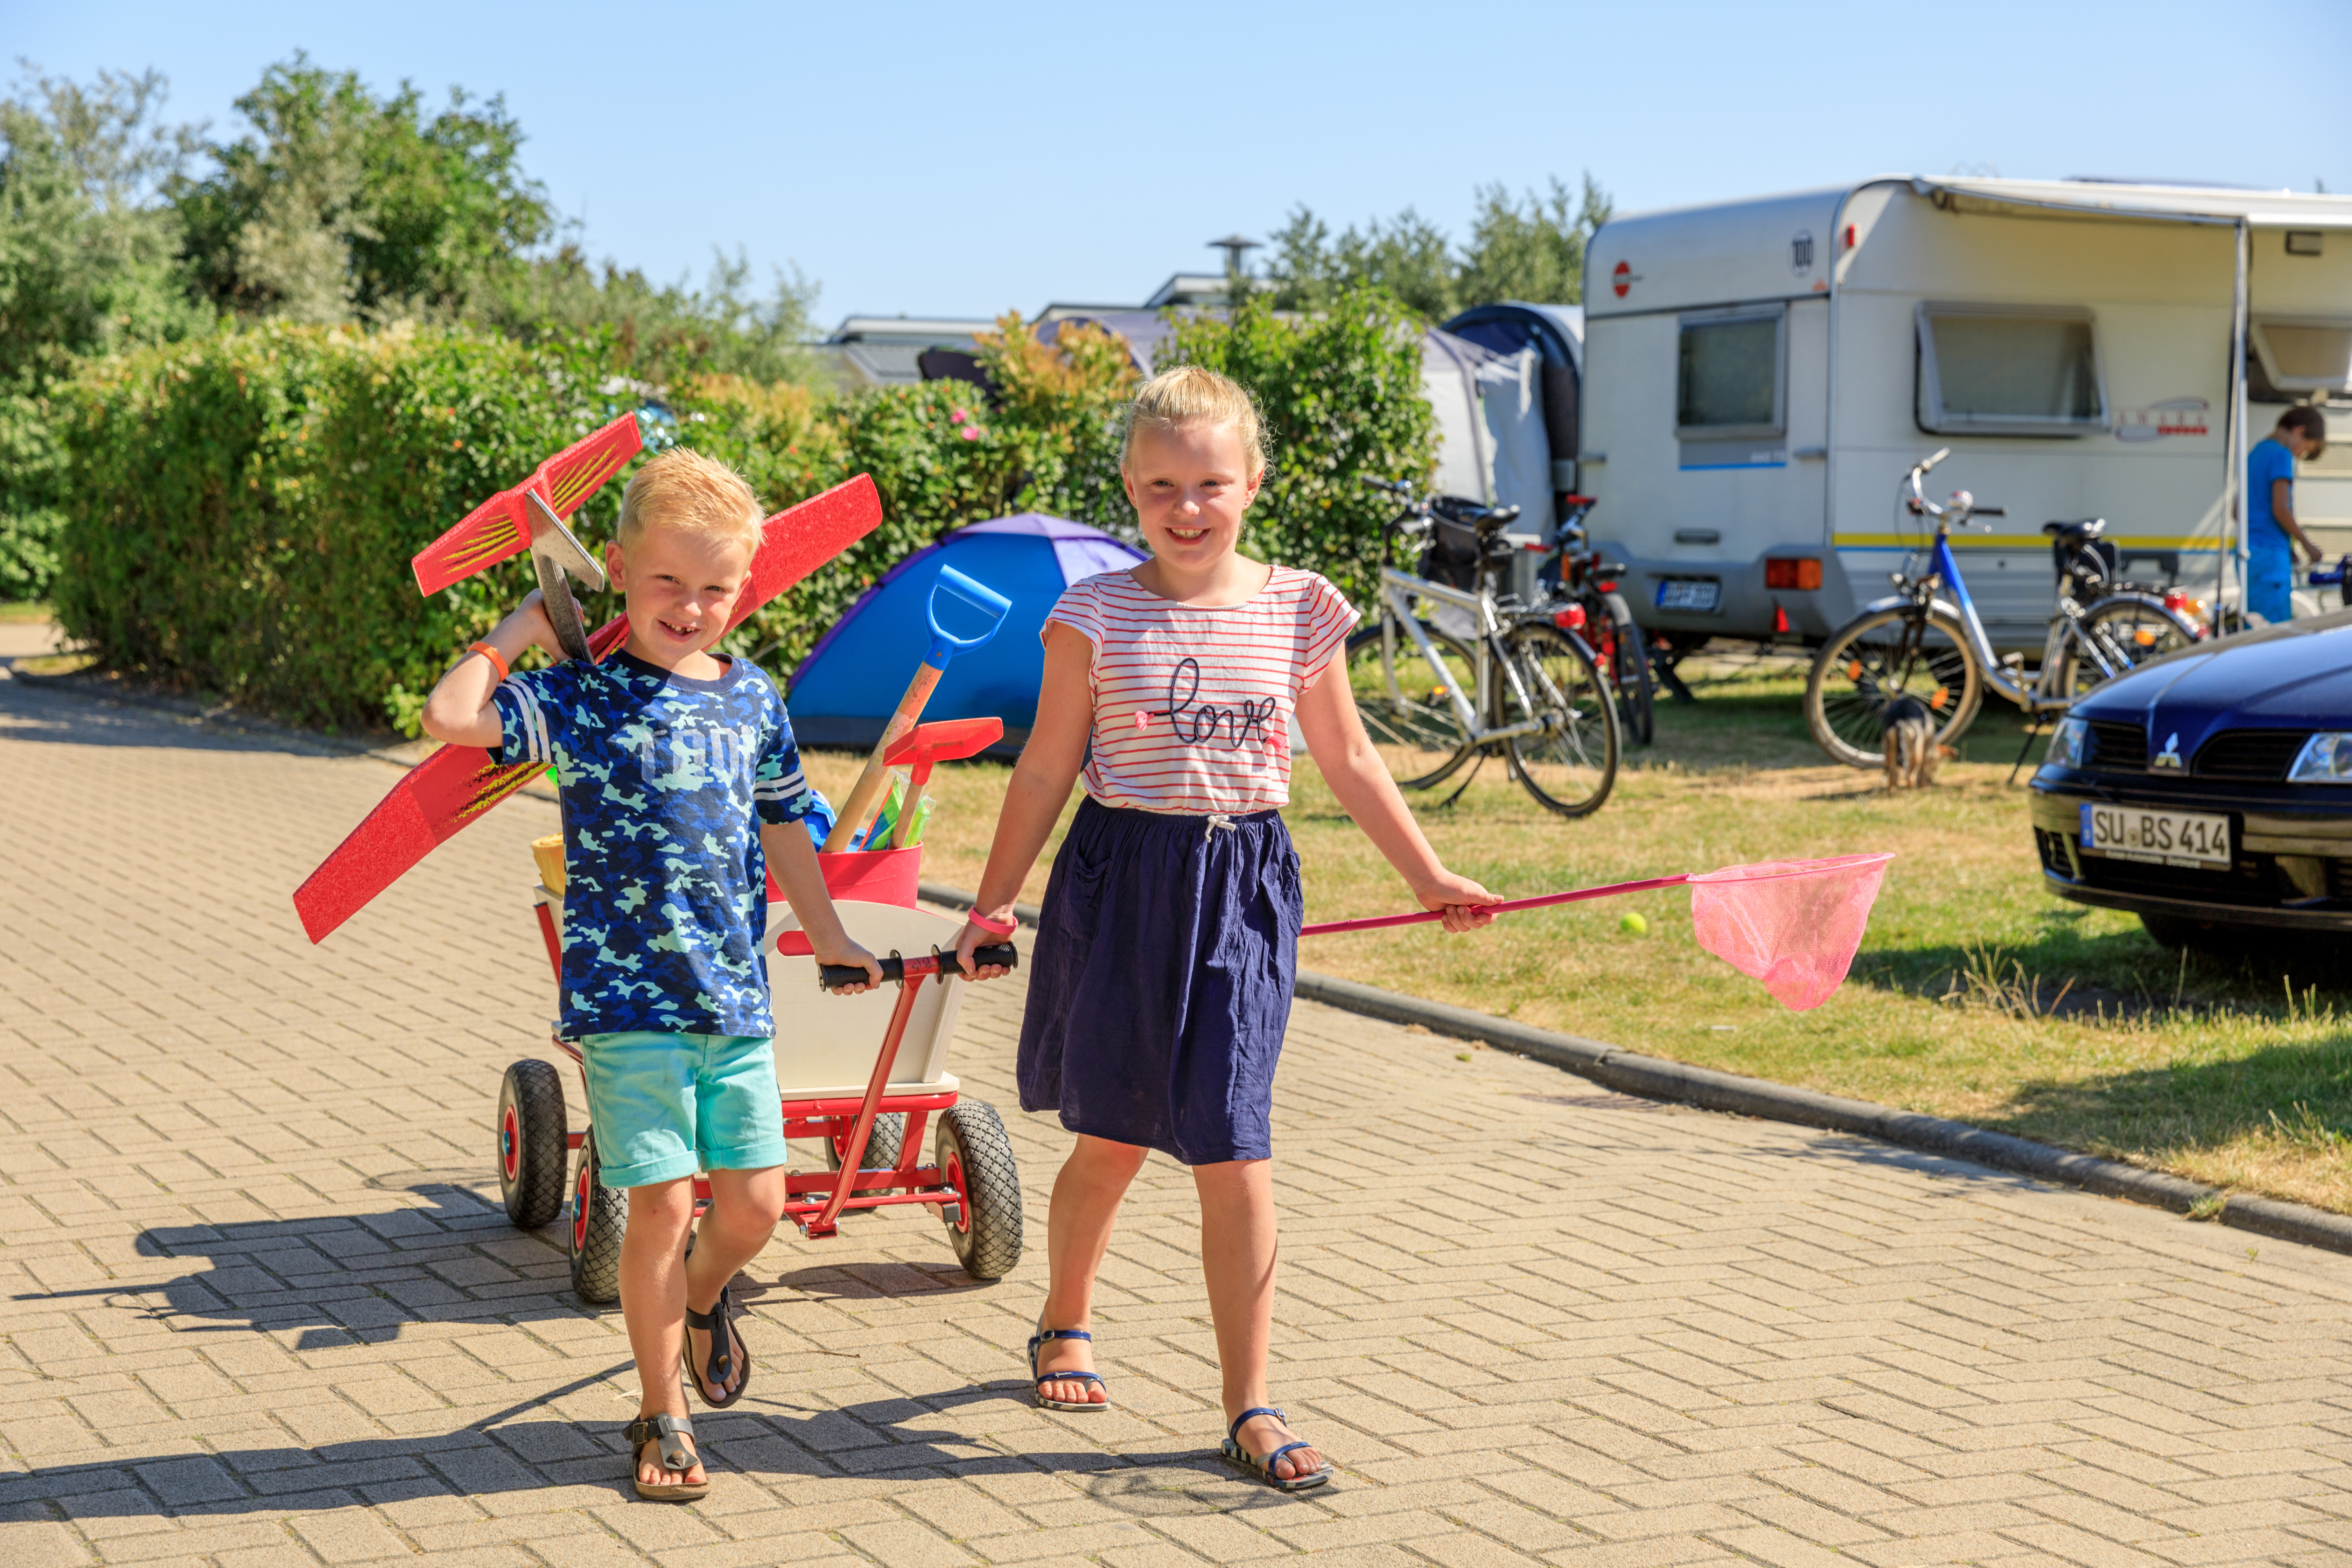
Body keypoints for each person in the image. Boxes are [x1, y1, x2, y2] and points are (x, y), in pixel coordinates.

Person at [951, 366, 1500, 1491]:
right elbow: (1046, 766)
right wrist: (993, 899)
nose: (1187, 506)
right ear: (1129, 488)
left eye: (1210, 482)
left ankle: (1249, 1403)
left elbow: (1348, 756)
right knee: (1110, 1139)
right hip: (1121, 879)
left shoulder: (1300, 606)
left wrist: (1429, 873)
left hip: (1244, 885)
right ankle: (1063, 1319)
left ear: (1252, 482)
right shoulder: (1092, 615)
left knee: (1235, 1144)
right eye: (1161, 486)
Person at [420, 448, 882, 1502]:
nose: (690, 605)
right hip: (627, 1006)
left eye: (715, 586)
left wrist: (830, 935)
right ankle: (660, 1409)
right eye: (667, 580)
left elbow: (786, 825)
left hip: (733, 999)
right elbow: (451, 717)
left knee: (756, 1207)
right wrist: (517, 631)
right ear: (620, 572)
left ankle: (707, 1296)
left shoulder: (753, 697)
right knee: (662, 1211)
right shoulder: (581, 695)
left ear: (744, 588)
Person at [2246, 405, 2328, 625]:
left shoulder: (2256, 452)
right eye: (2305, 449)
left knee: (2254, 627)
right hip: (2270, 556)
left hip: (2247, 554)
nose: (2300, 455)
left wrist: (2288, 546)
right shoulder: (2281, 454)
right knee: (2275, 631)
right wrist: (2307, 546)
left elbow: (2238, 511)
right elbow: (2281, 509)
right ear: (2300, 431)